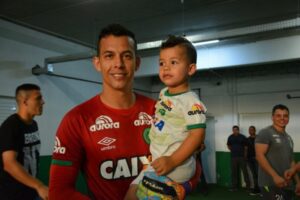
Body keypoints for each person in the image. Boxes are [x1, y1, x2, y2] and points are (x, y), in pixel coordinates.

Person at [49, 25, 200, 200]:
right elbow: (59, 193)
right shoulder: (76, 120)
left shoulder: (161, 109)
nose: (118, 64)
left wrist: (184, 188)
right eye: (109, 56)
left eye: (127, 56)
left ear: (137, 63)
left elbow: (192, 163)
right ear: (97, 63)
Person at [125, 35, 207, 200]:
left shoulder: (191, 102)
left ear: (190, 69)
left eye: (173, 62)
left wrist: (172, 160)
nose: (166, 68)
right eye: (162, 63)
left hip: (175, 166)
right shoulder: (163, 93)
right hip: (157, 162)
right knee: (130, 194)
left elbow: (197, 135)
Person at [0, 83, 48, 200]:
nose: (43, 102)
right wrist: (39, 185)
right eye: (38, 98)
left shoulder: (33, 124)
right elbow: (9, 164)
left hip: (31, 192)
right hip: (13, 195)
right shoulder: (11, 126)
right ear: (25, 102)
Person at [255, 104, 300, 199]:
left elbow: (291, 161)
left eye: (285, 116)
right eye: (278, 115)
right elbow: (259, 155)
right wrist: (275, 176)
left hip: (287, 183)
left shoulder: (288, 138)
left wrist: (298, 182)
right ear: (272, 117)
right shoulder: (265, 132)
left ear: (289, 118)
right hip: (270, 183)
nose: (282, 118)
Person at [227, 125, 250, 191]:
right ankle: (234, 187)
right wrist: (232, 149)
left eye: (236, 130)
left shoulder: (242, 137)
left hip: (241, 157)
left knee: (245, 172)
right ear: (232, 130)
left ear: (238, 130)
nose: (235, 131)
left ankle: (248, 187)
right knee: (234, 172)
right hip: (233, 157)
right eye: (234, 130)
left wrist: (245, 155)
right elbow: (228, 145)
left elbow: (246, 147)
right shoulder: (230, 137)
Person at [246, 125, 260, 195]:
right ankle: (256, 189)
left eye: (251, 130)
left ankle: (262, 190)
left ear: (254, 130)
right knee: (254, 175)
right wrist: (245, 157)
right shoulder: (247, 139)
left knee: (259, 174)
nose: (250, 131)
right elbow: (245, 149)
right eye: (249, 130)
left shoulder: (259, 138)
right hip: (249, 159)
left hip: (257, 159)